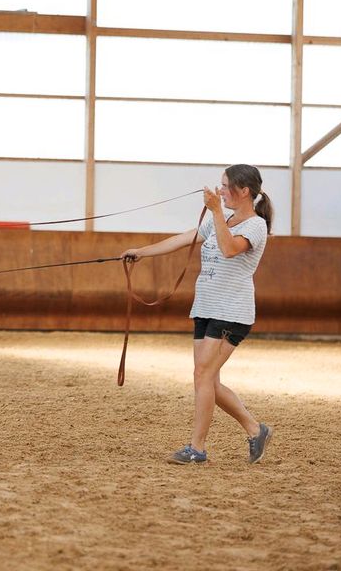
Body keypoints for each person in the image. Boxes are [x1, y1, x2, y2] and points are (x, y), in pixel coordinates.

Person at [120, 164, 274, 465]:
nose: (220, 191)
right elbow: (181, 240)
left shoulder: (255, 226)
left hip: (232, 312)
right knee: (208, 380)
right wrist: (141, 251)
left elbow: (230, 249)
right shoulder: (223, 218)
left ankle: (197, 448)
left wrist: (216, 211)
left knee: (203, 375)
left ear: (244, 191)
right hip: (206, 306)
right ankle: (256, 429)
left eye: (226, 186)